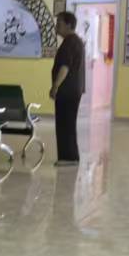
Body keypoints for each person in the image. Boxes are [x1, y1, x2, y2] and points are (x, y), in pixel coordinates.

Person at [50, 9, 86, 165]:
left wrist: (55, 86)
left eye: (59, 23)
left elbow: (65, 67)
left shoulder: (70, 43)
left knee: (65, 124)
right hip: (73, 90)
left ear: (69, 25)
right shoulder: (75, 41)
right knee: (68, 124)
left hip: (67, 91)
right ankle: (70, 156)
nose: (56, 26)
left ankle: (68, 157)